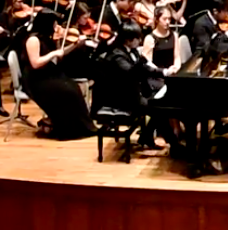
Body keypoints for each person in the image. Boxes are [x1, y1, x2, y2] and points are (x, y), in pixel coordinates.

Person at [21, 9, 97, 140]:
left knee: (73, 87)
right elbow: (35, 63)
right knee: (66, 92)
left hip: (48, 73)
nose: (57, 27)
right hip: (36, 79)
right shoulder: (33, 39)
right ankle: (67, 129)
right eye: (54, 24)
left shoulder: (46, 37)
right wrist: (52, 54)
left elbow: (60, 53)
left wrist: (75, 44)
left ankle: (84, 126)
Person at [102, 22, 174, 150]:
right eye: (137, 38)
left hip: (132, 90)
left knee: (160, 105)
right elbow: (131, 73)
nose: (140, 40)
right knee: (158, 108)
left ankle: (147, 137)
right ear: (128, 40)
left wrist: (163, 72)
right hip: (120, 98)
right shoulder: (117, 56)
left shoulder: (131, 50)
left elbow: (144, 68)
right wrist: (143, 56)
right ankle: (173, 144)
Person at [141, 7, 182, 73]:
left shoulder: (174, 35)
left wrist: (176, 67)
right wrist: (164, 72)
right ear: (156, 19)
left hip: (172, 72)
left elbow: (177, 57)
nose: (168, 22)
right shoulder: (150, 38)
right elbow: (148, 63)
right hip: (157, 74)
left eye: (169, 19)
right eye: (164, 19)